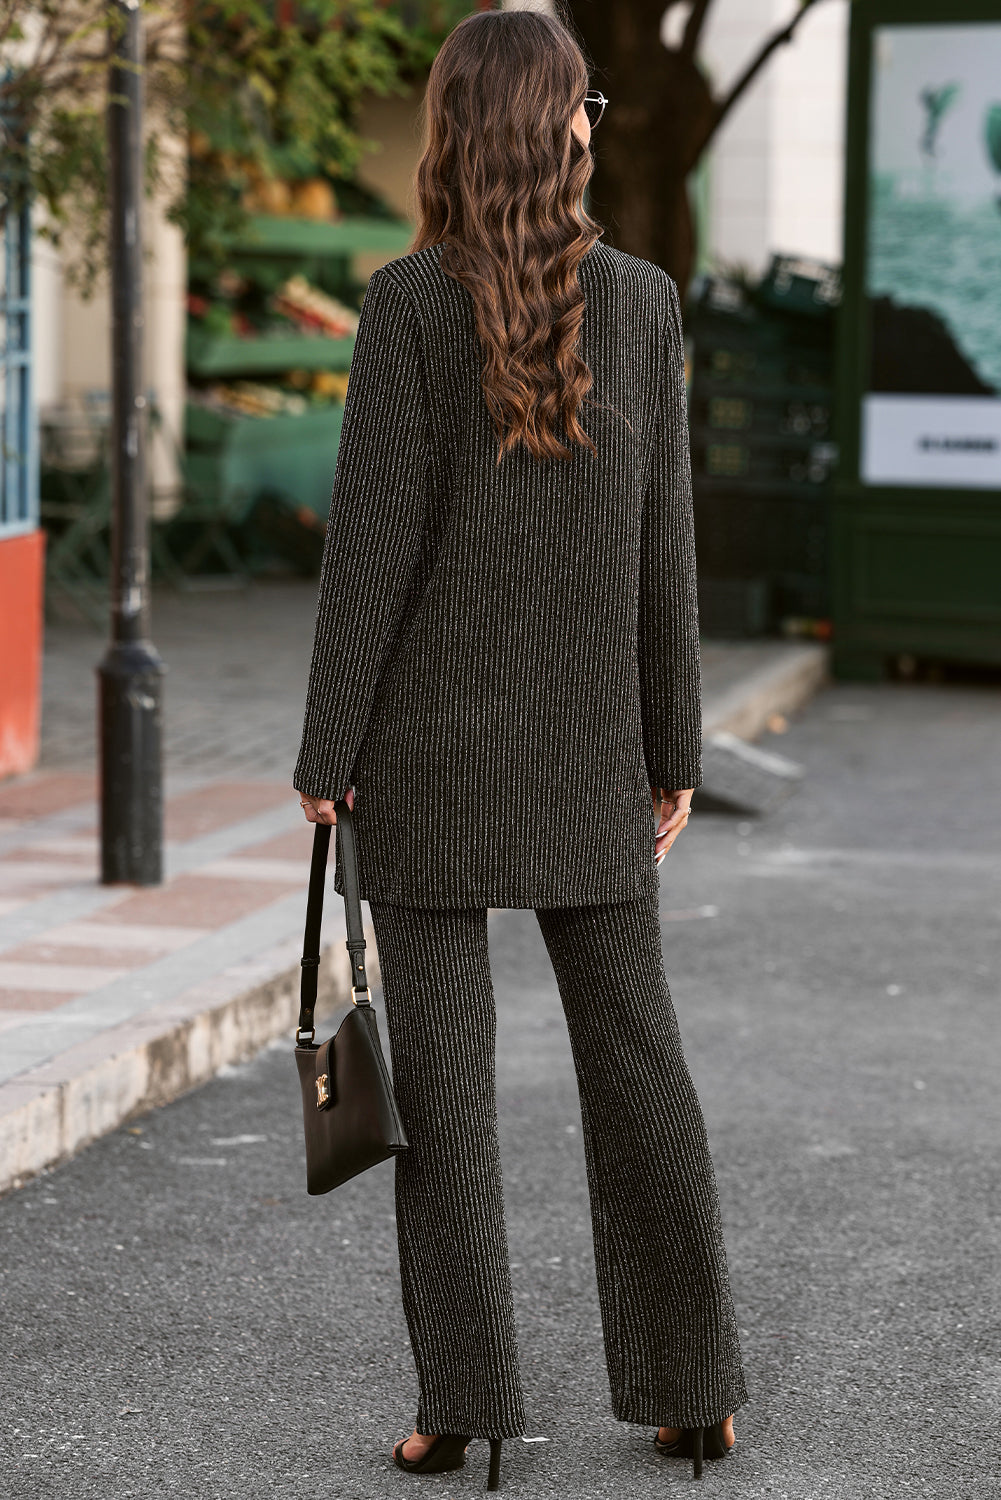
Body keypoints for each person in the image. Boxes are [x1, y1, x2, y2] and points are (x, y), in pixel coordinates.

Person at [293, 8, 747, 1489]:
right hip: (583, 754)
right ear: (553, 127)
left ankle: (465, 1405)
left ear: (450, 129)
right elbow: (659, 556)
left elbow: (370, 554)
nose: (596, 122)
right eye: (586, 103)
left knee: (444, 1094)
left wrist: (325, 749)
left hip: (421, 759)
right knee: (637, 1063)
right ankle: (693, 1391)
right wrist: (670, 744)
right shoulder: (645, 302)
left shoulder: (405, 306)